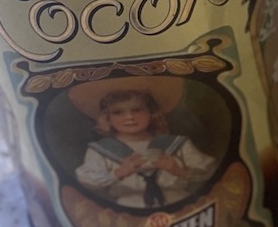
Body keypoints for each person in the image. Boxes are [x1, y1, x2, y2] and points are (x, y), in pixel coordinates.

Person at [74, 87, 216, 209]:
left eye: (137, 110)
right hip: (128, 208)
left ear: (151, 113)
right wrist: (119, 173)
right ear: (107, 118)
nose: (129, 117)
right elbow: (87, 180)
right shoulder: (101, 150)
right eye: (118, 112)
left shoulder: (177, 144)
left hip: (179, 202)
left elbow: (209, 171)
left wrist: (177, 170)